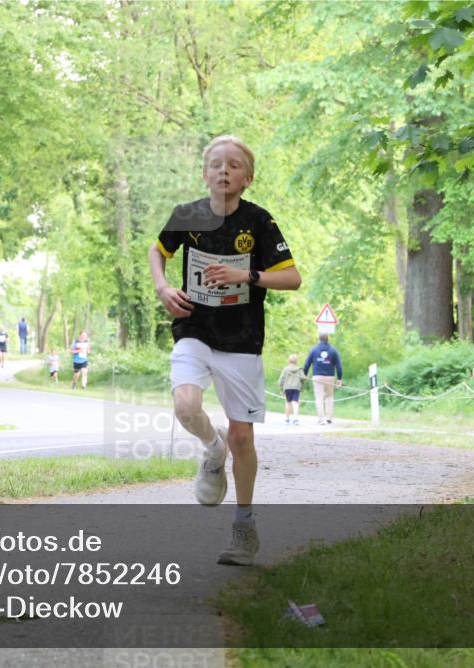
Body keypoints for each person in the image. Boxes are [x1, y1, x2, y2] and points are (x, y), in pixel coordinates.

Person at [147, 134, 301, 566]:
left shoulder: (260, 222)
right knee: (185, 405)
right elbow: (157, 251)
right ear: (204, 174)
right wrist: (162, 287)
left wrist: (246, 277)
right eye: (216, 164)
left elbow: (292, 278)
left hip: (242, 338)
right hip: (194, 327)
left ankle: (244, 526)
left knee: (243, 437)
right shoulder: (187, 215)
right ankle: (212, 449)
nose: (224, 171)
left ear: (247, 178)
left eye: (233, 165)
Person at [303, 334, 343, 426]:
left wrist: (304, 374)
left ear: (319, 339)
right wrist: (339, 378)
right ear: (328, 339)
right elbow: (339, 366)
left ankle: (321, 419)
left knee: (319, 398)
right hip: (330, 377)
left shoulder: (314, 350)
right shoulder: (333, 350)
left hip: (317, 377)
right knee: (329, 397)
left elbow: (307, 363)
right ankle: (329, 418)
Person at [277, 354, 307, 425]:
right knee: (295, 402)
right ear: (296, 361)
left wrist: (280, 387)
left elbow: (281, 380)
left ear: (288, 361)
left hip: (287, 387)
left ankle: (287, 419)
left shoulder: (285, 369)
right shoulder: (299, 369)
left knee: (288, 402)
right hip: (296, 388)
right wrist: (306, 377)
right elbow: (303, 378)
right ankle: (296, 419)